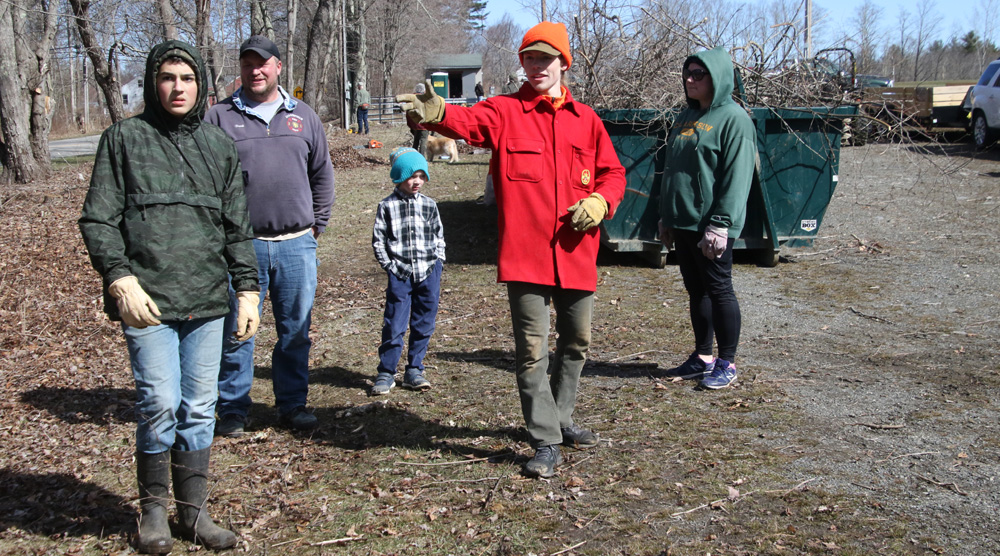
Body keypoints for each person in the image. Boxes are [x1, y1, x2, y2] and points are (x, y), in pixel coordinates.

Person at [397, 21, 626, 479]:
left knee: (576, 342)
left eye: (546, 58)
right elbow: (467, 122)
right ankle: (544, 438)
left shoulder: (588, 120)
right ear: (522, 63)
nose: (538, 66)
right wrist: (438, 109)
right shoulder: (506, 112)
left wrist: (602, 200)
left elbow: (613, 173)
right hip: (526, 256)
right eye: (530, 58)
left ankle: (560, 418)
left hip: (576, 253)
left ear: (565, 63)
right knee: (532, 350)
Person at [79, 40, 259, 553]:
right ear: (153, 82)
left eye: (186, 78)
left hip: (206, 300)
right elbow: (98, 218)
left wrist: (247, 288)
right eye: (167, 77)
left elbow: (236, 227)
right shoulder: (123, 139)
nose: (177, 87)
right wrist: (119, 278)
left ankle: (194, 515)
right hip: (148, 301)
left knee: (200, 408)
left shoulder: (218, 146)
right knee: (159, 403)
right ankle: (153, 514)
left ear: (200, 84)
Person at [206, 35, 336, 435]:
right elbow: (207, 182)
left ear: (278, 66)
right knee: (238, 330)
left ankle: (293, 404)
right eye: (247, 64)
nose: (255, 70)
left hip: (297, 244)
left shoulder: (304, 116)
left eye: (262, 63)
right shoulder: (218, 117)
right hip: (242, 248)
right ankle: (233, 408)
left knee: (295, 331)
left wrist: (316, 226)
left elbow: (322, 175)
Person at [657, 47, 755, 390]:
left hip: (711, 224)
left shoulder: (734, 119)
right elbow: (674, 171)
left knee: (719, 290)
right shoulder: (685, 117)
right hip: (682, 220)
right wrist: (667, 216)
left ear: (718, 78)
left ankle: (727, 362)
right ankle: (703, 357)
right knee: (696, 290)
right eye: (688, 73)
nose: (689, 79)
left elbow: (737, 177)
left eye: (699, 74)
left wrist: (721, 223)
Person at [370, 148, 446, 395]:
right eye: (412, 176)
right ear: (398, 176)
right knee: (394, 323)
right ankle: (386, 372)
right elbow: (379, 240)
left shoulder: (429, 205)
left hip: (428, 271)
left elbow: (439, 236)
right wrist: (390, 266)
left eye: (422, 176)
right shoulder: (387, 206)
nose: (417, 182)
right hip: (400, 274)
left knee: (424, 321)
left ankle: (415, 369)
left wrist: (438, 262)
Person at [407, 83, 429, 157]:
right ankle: (422, 157)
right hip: (424, 124)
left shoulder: (411, 98)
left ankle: (414, 156)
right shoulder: (425, 99)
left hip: (415, 124)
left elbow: (408, 112)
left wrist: (410, 124)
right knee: (423, 140)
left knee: (416, 140)